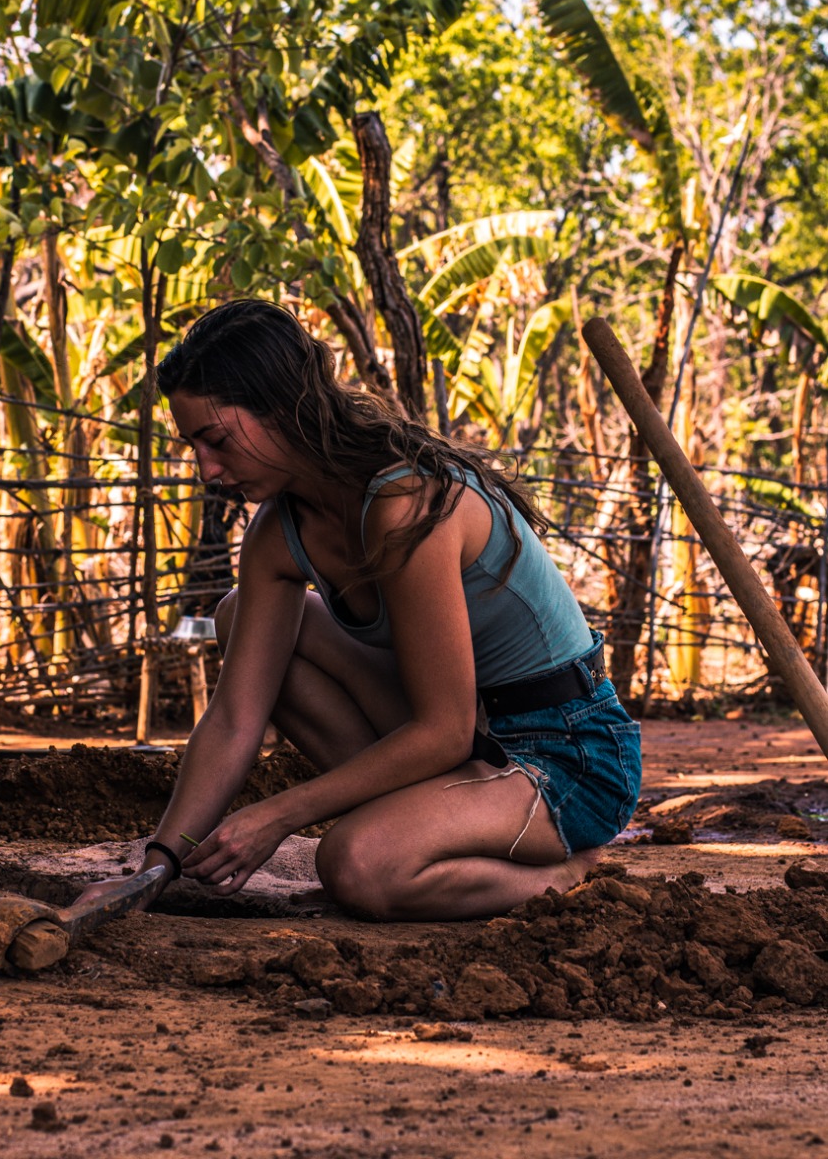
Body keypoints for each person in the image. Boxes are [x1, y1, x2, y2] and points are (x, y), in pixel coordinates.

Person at [141, 299, 640, 920]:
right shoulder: (278, 532)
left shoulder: (406, 501)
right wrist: (157, 866)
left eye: (214, 440)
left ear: (280, 408)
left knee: (357, 864)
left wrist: (279, 814)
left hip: (566, 756)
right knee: (238, 613)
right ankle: (429, 828)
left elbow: (443, 730)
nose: (206, 470)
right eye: (195, 446)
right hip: (476, 745)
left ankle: (566, 874)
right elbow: (236, 717)